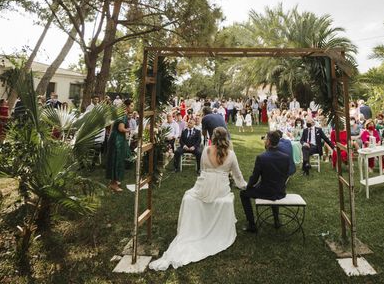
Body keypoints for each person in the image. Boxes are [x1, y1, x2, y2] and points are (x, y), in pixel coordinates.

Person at [149, 127, 246, 270]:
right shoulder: (231, 154)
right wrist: (244, 185)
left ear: (212, 137)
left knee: (188, 195)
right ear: (226, 138)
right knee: (192, 195)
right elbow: (237, 176)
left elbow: (202, 171)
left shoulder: (205, 151)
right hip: (221, 190)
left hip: (204, 186)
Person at [240, 131, 289, 232]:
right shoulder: (286, 157)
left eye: (265, 139)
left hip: (266, 191)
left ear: (268, 142)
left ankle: (252, 224)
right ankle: (276, 220)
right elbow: (285, 175)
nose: (264, 141)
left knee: (243, 194)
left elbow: (254, 178)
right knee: (272, 186)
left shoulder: (262, 157)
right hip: (280, 191)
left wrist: (248, 186)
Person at [105, 112, 132, 192]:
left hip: (113, 139)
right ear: (127, 107)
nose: (132, 107)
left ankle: (113, 182)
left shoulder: (118, 114)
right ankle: (114, 185)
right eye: (131, 105)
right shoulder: (123, 116)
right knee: (117, 161)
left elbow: (112, 127)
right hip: (118, 141)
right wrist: (128, 129)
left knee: (113, 160)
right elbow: (121, 129)